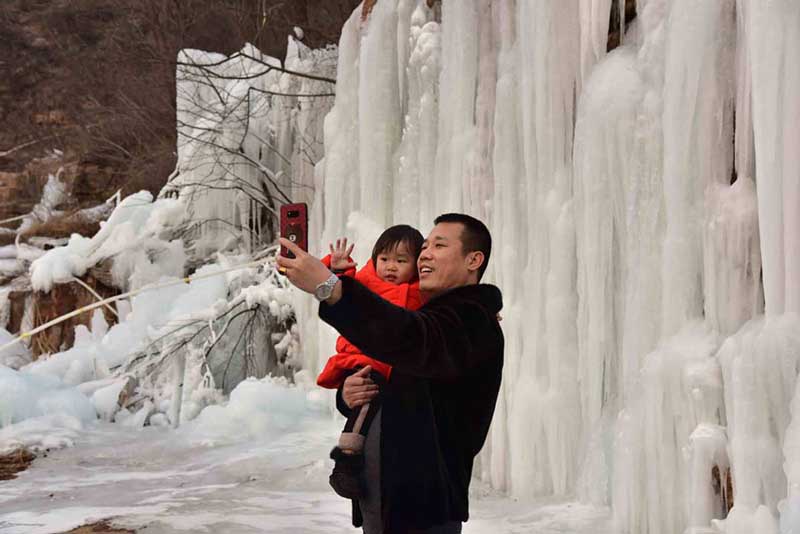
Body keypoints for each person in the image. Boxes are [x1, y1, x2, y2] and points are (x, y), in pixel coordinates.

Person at [277, 213, 503, 534]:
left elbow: (408, 337)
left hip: (419, 509)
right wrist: (349, 393)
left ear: (473, 259)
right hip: (389, 501)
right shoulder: (441, 318)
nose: (425, 253)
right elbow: (402, 379)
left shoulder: (469, 320)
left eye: (439, 245)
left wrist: (331, 287)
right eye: (424, 246)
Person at [316, 226, 425, 499]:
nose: (390, 267)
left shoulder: (422, 292)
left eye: (401, 261)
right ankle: (347, 458)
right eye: (385, 259)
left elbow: (453, 302)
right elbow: (331, 291)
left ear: (417, 265)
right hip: (360, 359)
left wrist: (483, 309)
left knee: (375, 397)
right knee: (368, 393)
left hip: (392, 374)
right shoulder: (365, 280)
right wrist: (336, 270)